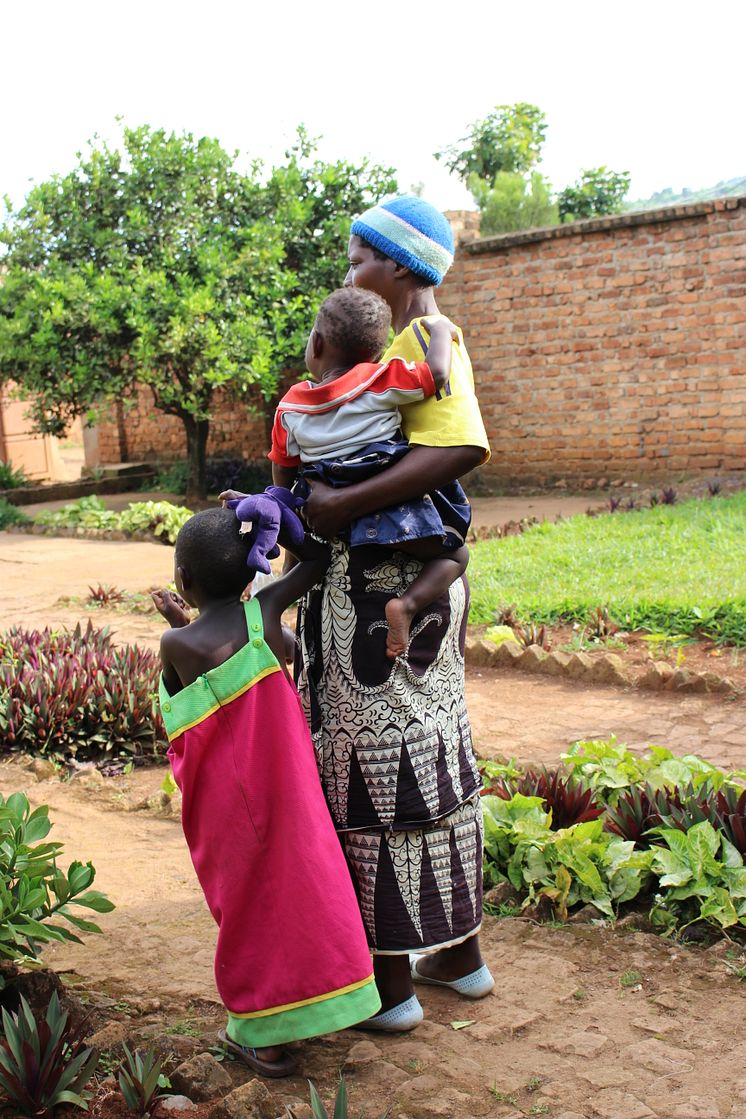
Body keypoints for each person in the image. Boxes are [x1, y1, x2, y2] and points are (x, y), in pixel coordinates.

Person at [222, 195, 493, 1033]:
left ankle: (389, 983)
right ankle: (457, 953)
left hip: (376, 591)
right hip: (412, 585)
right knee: (431, 752)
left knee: (366, 767)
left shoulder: (420, 344)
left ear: (404, 268)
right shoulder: (406, 350)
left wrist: (338, 507)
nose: (350, 273)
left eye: (358, 258)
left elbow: (458, 450)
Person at [151, 500, 381, 1075]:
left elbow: (191, 698)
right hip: (288, 792)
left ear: (184, 580)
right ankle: (332, 999)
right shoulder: (267, 612)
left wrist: (182, 622)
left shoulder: (175, 645)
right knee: (306, 889)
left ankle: (265, 1037)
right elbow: (320, 559)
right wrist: (278, 520)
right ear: (254, 568)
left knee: (247, 905)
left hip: (227, 806)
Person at [269, 285, 470, 658]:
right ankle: (407, 605)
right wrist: (441, 329)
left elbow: (282, 470)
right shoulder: (383, 379)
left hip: (331, 517)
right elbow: (438, 373)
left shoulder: (290, 407)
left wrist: (290, 512)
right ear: (378, 352)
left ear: (315, 344)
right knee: (457, 555)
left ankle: (275, 609)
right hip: (397, 511)